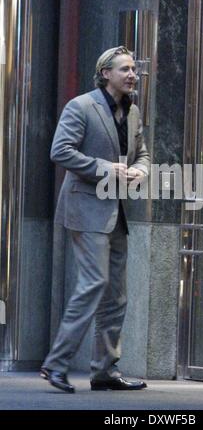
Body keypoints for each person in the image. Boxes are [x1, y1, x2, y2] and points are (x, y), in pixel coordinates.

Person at [40, 46, 150, 393]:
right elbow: (60, 151)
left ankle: (105, 371)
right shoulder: (81, 106)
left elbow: (144, 153)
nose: (132, 75)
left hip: (115, 212)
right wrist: (104, 167)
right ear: (105, 73)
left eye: (134, 69)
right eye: (125, 69)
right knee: (94, 284)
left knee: (116, 295)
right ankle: (55, 365)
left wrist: (140, 171)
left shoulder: (132, 113)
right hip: (86, 209)